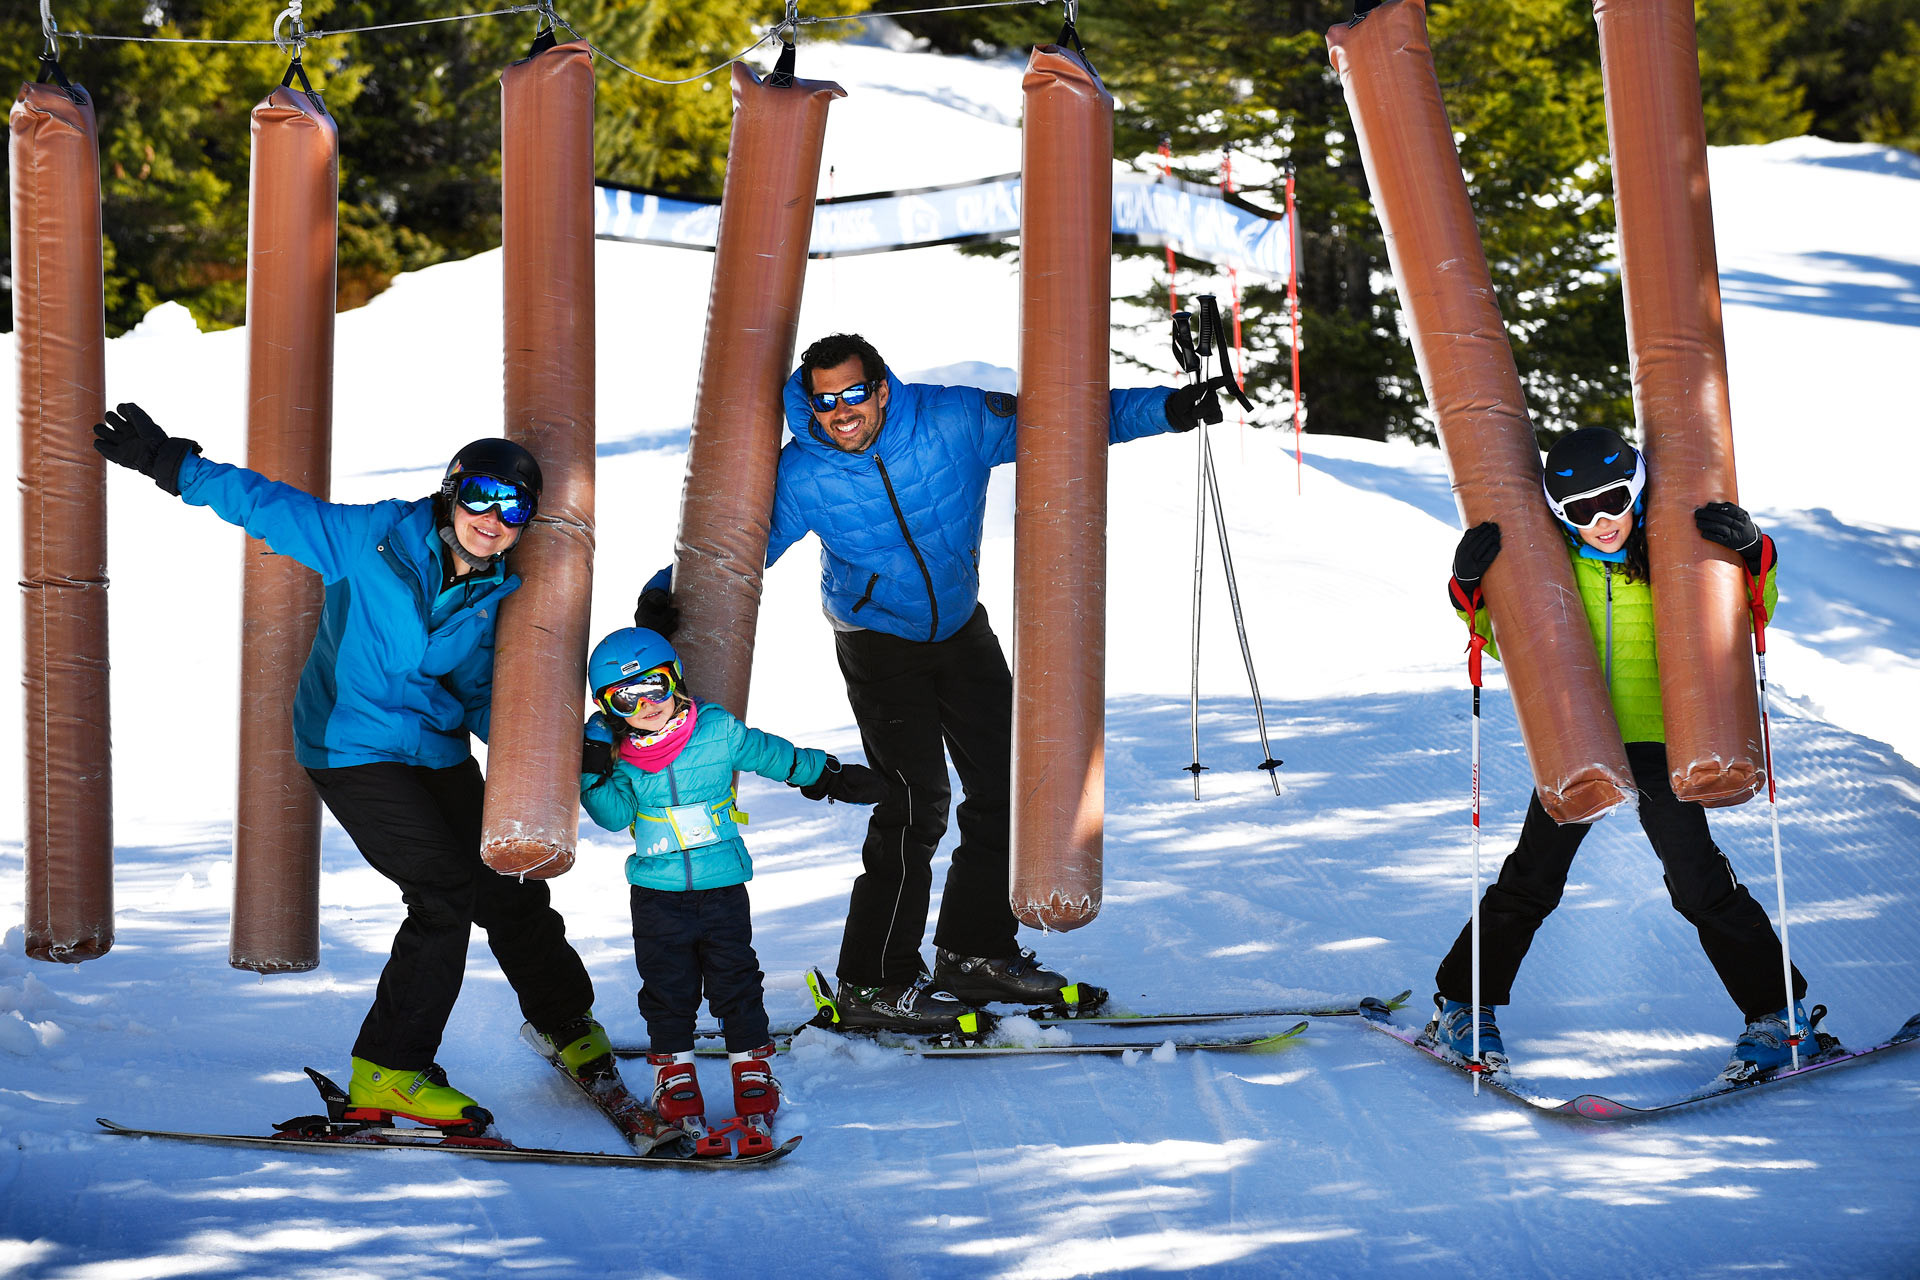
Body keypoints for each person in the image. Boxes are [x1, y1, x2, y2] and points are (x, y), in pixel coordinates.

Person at [636, 333, 1217, 1033]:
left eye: (853, 394)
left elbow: (1066, 422)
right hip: (877, 641)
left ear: (881, 387)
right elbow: (738, 546)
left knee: (1010, 788)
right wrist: (665, 594)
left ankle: (973, 953)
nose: (841, 413)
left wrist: (1173, 409)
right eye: (824, 402)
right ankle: (871, 981)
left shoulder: (955, 420)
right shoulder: (803, 473)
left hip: (960, 628)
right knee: (913, 805)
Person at [92, 403, 610, 1131]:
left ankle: (566, 1022)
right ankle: (389, 1070)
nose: (492, 518)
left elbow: (484, 696)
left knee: (504, 879)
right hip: (352, 747)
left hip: (433, 749)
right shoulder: (370, 539)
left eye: (513, 506)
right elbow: (269, 506)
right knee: (441, 889)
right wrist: (170, 464)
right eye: (479, 497)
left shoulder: (501, 592)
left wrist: (563, 753)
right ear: (450, 493)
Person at [1431, 425, 1819, 1081]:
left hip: (1663, 739)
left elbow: (1752, 612)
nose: (1600, 521)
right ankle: (1462, 1006)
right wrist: (1470, 586)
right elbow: (1503, 642)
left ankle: (1782, 1018)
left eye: (1612, 501)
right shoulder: (1554, 566)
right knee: (1531, 879)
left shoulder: (1674, 554)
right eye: (1579, 511)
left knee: (1700, 885)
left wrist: (1754, 557)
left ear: (1636, 491)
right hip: (1578, 737)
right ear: (1559, 514)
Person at [578, 626, 888, 1154]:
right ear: (609, 709)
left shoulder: (716, 729)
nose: (646, 705)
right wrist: (592, 765)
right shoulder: (623, 758)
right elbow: (612, 817)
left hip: (722, 888)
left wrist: (828, 775)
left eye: (654, 686)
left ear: (674, 677)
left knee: (736, 981)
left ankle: (752, 1070)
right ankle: (674, 1076)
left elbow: (772, 754)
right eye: (625, 698)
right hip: (656, 892)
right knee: (667, 988)